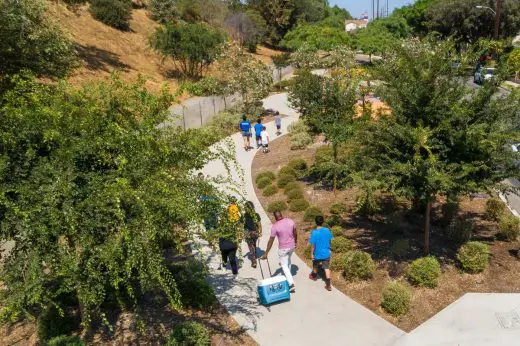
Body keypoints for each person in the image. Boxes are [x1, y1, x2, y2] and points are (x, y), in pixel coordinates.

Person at [260, 211, 297, 292]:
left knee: (284, 265)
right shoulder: (290, 221)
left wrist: (266, 253)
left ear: (275, 217)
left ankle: (291, 284)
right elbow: (295, 232)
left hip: (283, 249)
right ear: (281, 215)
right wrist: (295, 242)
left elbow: (271, 240)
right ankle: (288, 277)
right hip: (291, 246)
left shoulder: (275, 226)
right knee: (288, 261)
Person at [309, 215, 334, 291]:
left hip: (317, 253)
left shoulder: (314, 233)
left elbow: (313, 245)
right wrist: (329, 248)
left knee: (315, 266)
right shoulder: (327, 230)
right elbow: (330, 240)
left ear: (315, 222)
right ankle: (328, 285)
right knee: (326, 268)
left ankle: (314, 276)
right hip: (326, 253)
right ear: (323, 222)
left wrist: (311, 254)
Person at [242, 201, 262, 268]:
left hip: (248, 233)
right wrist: (260, 232)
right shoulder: (256, 215)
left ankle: (254, 261)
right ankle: (254, 251)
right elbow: (259, 224)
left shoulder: (244, 216)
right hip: (255, 233)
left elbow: (241, 225)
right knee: (253, 243)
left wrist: (241, 233)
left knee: (251, 246)